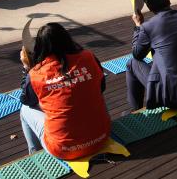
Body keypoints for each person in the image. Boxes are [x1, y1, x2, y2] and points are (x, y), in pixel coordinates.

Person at [19, 23, 111, 160]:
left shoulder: (36, 73)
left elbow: (26, 99)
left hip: (63, 149)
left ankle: (34, 156)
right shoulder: (88, 57)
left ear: (40, 46)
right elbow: (101, 87)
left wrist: (27, 69)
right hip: (101, 138)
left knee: (25, 110)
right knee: (92, 92)